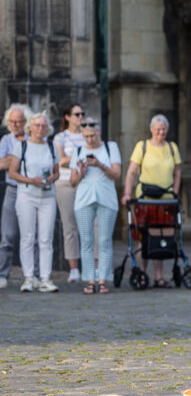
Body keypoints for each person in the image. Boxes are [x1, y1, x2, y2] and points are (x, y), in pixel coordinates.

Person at [122, 114, 183, 287]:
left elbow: (177, 172)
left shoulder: (172, 147)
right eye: (157, 129)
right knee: (144, 237)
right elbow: (132, 171)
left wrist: (175, 192)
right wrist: (127, 193)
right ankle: (142, 273)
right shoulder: (142, 147)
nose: (161, 132)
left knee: (162, 236)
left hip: (166, 200)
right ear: (151, 130)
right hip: (146, 199)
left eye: (163, 129)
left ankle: (159, 276)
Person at [68, 116, 121, 296]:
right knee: (87, 241)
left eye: (93, 135)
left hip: (106, 198)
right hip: (84, 199)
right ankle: (90, 280)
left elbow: (116, 174)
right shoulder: (77, 151)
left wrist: (99, 164)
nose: (90, 139)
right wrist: (82, 172)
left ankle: (103, 279)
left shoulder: (110, 147)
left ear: (98, 132)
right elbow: (72, 182)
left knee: (105, 240)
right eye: (87, 136)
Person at [10, 112, 60, 293]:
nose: (40, 129)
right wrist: (31, 180)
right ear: (30, 127)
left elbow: (56, 171)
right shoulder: (21, 146)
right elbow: (12, 172)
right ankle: (29, 277)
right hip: (27, 195)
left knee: (46, 238)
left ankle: (45, 277)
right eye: (37, 125)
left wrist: (53, 177)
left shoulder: (51, 146)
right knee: (27, 238)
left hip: (47, 196)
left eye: (44, 126)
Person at [52, 103, 86, 283]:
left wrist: (71, 159)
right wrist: (80, 159)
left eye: (82, 114)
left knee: (89, 226)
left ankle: (91, 266)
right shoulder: (60, 137)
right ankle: (73, 269)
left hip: (85, 184)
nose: (81, 117)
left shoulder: (87, 135)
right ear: (67, 117)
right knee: (69, 226)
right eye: (77, 114)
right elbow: (59, 161)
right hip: (65, 183)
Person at [0, 104, 25, 287]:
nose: (16, 124)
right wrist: (19, 158)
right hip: (12, 189)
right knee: (7, 235)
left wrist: (11, 159)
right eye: (13, 121)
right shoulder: (5, 140)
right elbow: (0, 165)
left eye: (19, 121)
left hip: (31, 189)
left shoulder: (34, 137)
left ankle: (33, 275)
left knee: (31, 236)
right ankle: (2, 274)